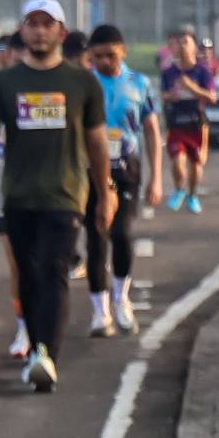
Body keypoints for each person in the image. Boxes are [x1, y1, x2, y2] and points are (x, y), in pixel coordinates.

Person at [0, 0, 111, 394]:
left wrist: (105, 193)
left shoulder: (82, 83)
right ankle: (36, 350)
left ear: (61, 32)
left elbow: (97, 143)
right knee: (28, 276)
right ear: (23, 30)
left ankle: (47, 354)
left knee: (53, 270)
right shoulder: (4, 82)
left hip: (65, 194)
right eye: (33, 23)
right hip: (18, 195)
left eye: (48, 24)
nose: (40, 31)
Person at [84, 24, 160, 336]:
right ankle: (100, 311)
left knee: (122, 233)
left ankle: (121, 298)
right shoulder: (84, 83)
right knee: (96, 239)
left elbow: (151, 131)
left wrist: (156, 178)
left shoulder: (139, 83)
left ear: (123, 52)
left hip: (127, 169)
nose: (105, 62)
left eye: (111, 56)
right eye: (98, 56)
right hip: (90, 171)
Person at [159, 27, 216, 214]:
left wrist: (192, 88)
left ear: (194, 47)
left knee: (197, 163)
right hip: (176, 123)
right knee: (177, 160)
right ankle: (179, 190)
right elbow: (162, 95)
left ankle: (192, 195)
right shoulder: (169, 72)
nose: (182, 46)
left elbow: (212, 97)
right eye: (179, 43)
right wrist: (171, 96)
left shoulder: (202, 71)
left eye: (186, 42)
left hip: (197, 123)